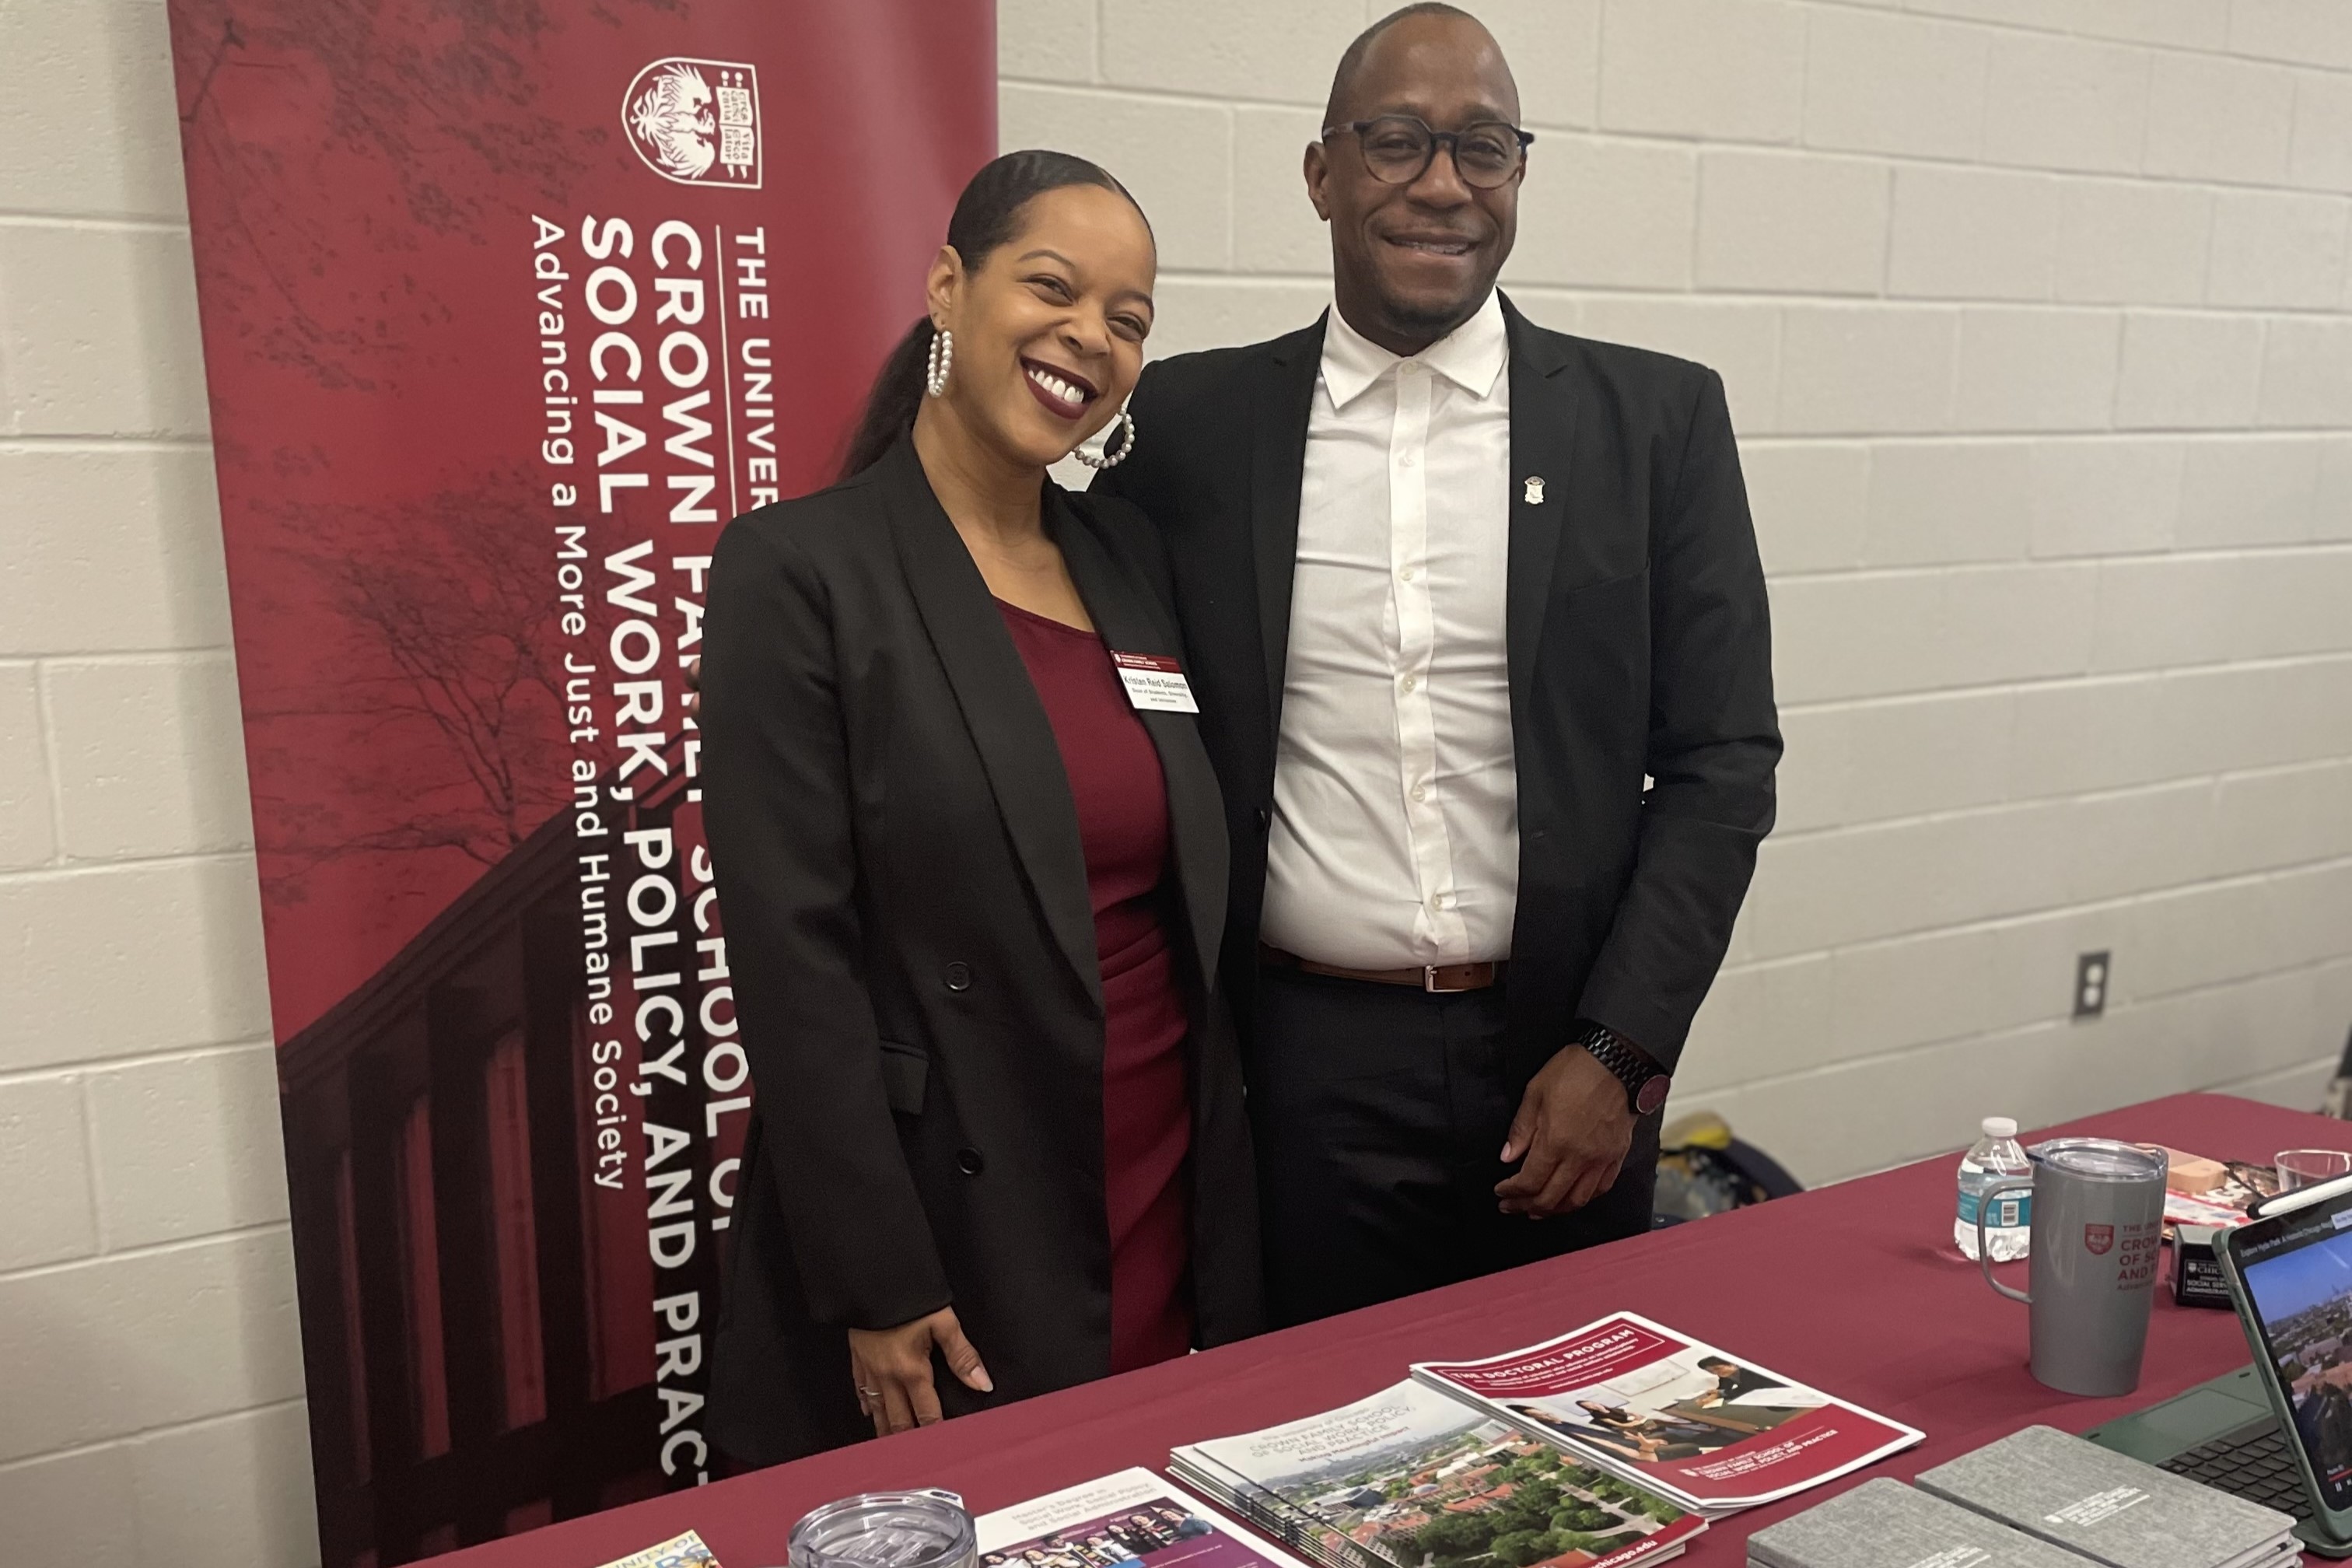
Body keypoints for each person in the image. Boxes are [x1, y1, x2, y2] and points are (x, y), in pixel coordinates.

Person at [1090, 2, 1780, 1325]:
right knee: (1307, 1461)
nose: (1443, 187)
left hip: (1566, 1060)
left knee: (1568, 1480)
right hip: (1297, 1076)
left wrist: (1623, 1053)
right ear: (1322, 173)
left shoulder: (1657, 424)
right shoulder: (1192, 423)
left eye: (1485, 150)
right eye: (1398, 142)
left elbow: (1720, 765)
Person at [697, 149, 1262, 1466]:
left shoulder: (1126, 560)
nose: (1091, 339)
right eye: (1052, 288)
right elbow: (794, 958)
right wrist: (874, 1276)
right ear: (949, 286)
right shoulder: (802, 572)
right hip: (952, 1201)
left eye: (1129, 321)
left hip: (1157, 1164)